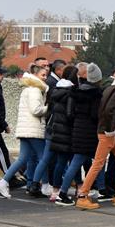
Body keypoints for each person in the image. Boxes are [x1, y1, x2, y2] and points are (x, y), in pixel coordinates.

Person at [74, 68, 115, 210]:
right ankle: (83, 195)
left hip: (112, 133)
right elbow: (110, 110)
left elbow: (107, 110)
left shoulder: (112, 88)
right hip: (109, 133)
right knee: (98, 163)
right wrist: (111, 130)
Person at [0, 65, 49, 198]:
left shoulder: (27, 89)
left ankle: (3, 182)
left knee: (22, 158)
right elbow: (36, 110)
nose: (45, 78)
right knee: (44, 158)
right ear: (35, 76)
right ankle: (42, 186)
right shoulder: (35, 90)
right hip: (33, 129)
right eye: (43, 75)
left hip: (25, 130)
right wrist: (48, 108)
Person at [55, 63, 104, 206]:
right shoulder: (95, 95)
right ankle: (99, 189)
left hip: (78, 130)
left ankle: (64, 192)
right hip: (90, 132)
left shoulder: (75, 92)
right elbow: (96, 115)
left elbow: (71, 113)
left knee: (78, 162)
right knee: (98, 160)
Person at [32, 66, 78, 200]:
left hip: (52, 128)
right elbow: (70, 114)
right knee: (66, 160)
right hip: (64, 131)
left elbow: (49, 110)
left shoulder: (55, 89)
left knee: (47, 158)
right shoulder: (71, 92)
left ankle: (38, 185)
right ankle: (67, 188)